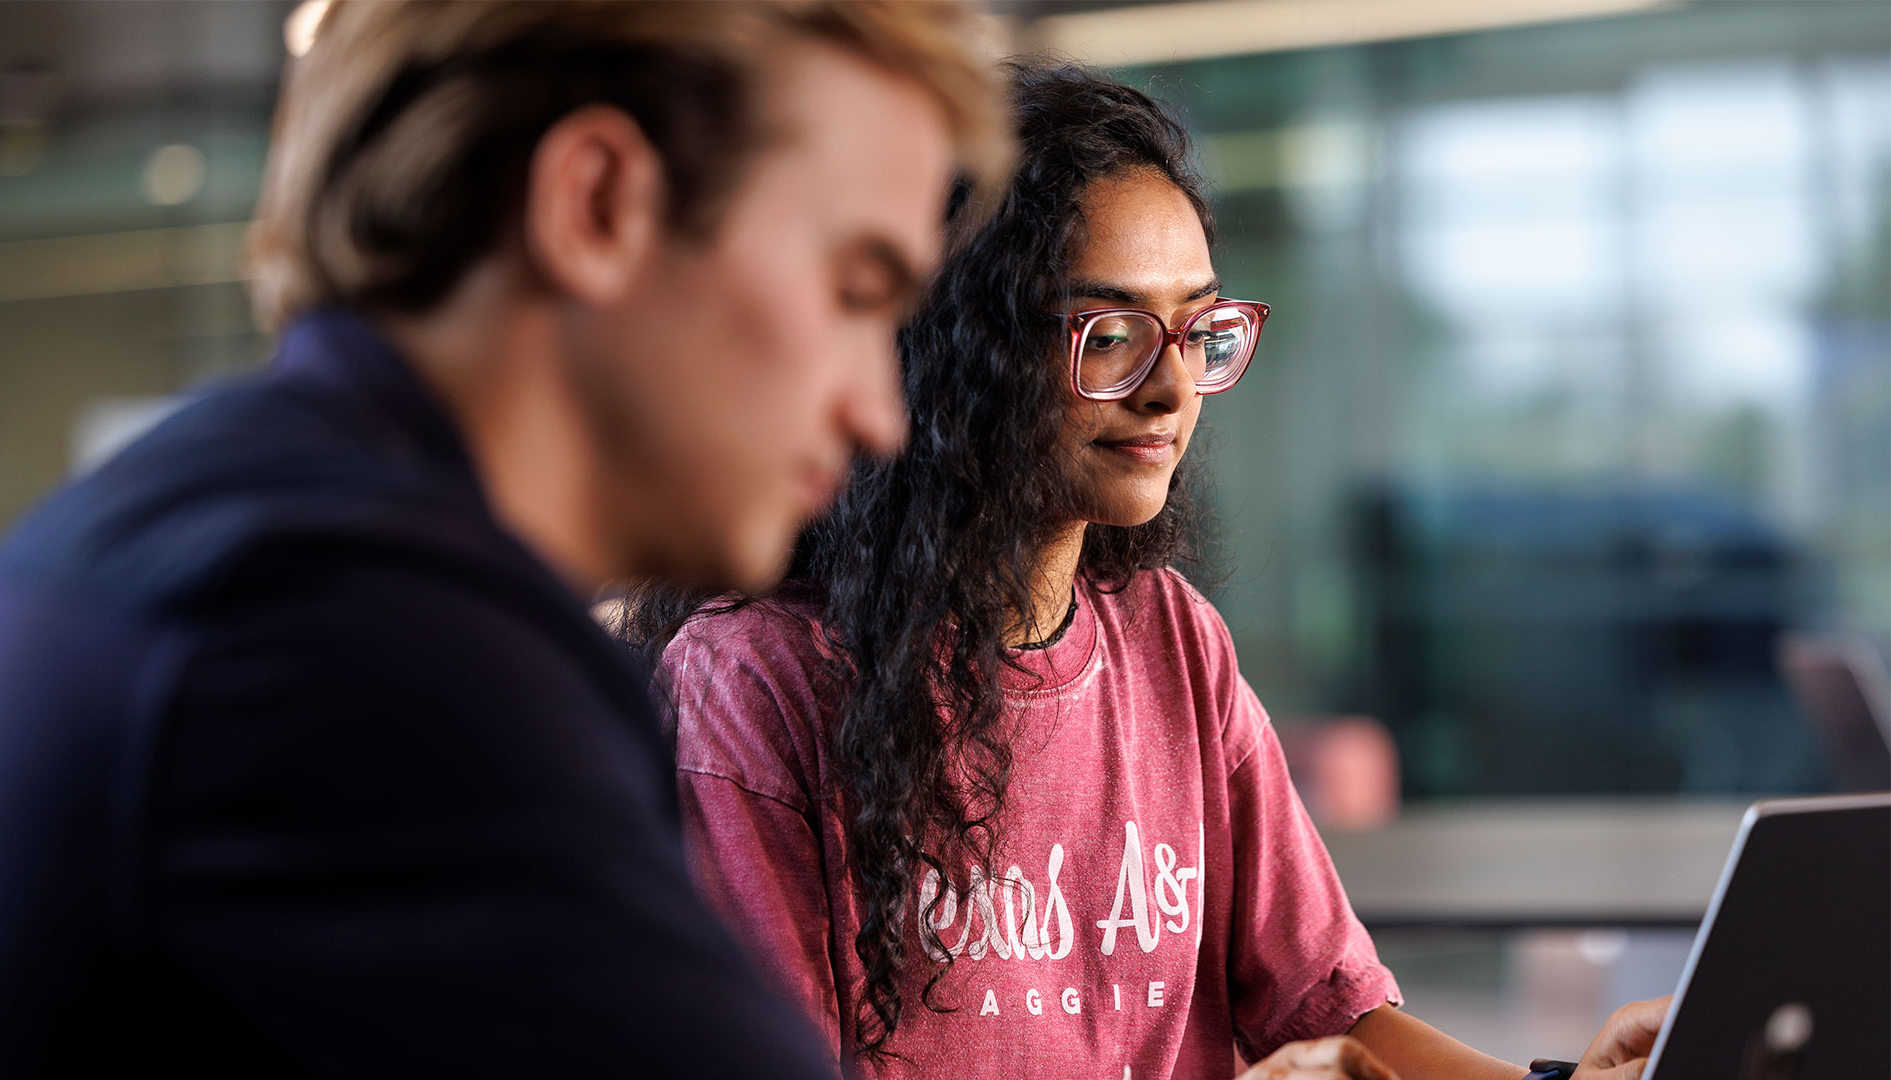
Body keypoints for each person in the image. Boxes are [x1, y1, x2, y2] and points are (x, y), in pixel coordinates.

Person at [0, 2, 1008, 1075]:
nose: (881, 415)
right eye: (853, 289)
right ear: (597, 203)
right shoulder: (358, 637)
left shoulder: (205, 527)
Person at [628, 62, 1667, 1080]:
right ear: (958, 353)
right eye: (1113, 334)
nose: (1171, 390)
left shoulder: (1171, 638)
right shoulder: (758, 683)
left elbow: (1337, 1014)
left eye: (1198, 330)